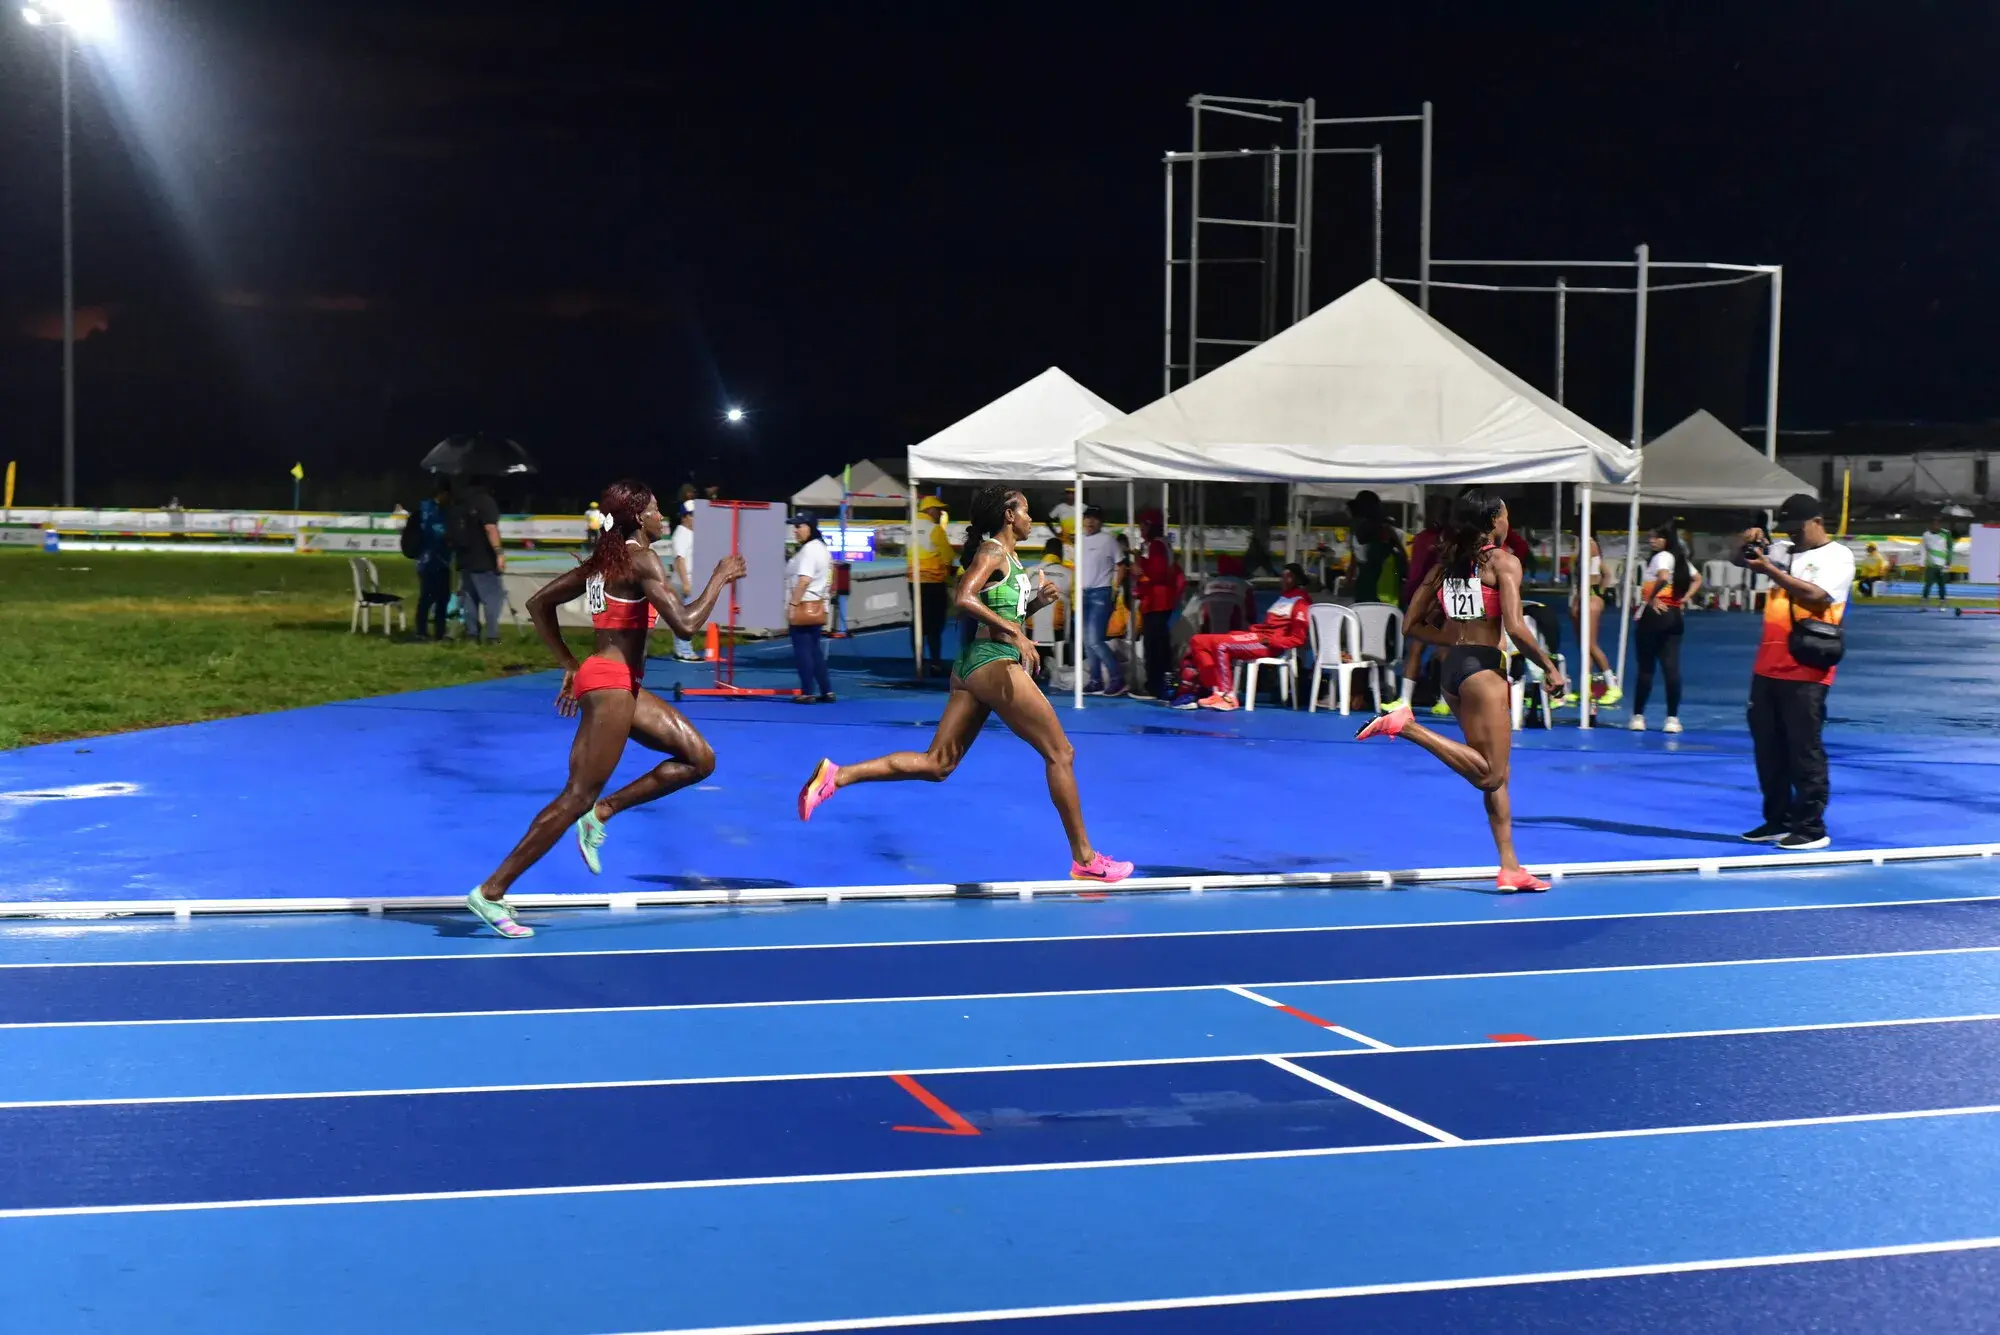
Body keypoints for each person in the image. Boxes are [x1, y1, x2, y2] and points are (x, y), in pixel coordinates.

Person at [796, 484, 1133, 883]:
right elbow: (964, 597)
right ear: (1009, 515)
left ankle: (837, 775)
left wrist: (1036, 604)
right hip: (994, 663)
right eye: (1024, 511)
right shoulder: (992, 551)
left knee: (938, 764)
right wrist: (1016, 632)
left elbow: (993, 604)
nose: (1030, 518)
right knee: (1061, 753)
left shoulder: (1007, 557)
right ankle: (1085, 859)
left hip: (973, 667)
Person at [467, 480, 744, 937]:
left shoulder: (609, 560)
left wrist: (572, 667)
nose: (663, 517)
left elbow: (540, 604)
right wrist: (721, 576)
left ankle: (603, 814)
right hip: (612, 685)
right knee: (575, 796)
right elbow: (687, 625)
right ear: (639, 518)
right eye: (656, 511)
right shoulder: (640, 559)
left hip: (618, 682)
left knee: (699, 760)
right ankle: (491, 892)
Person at [1355, 490, 1567, 892]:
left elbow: (1410, 625)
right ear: (1492, 521)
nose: (1509, 523)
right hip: (1484, 671)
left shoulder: (1446, 565)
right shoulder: (1504, 563)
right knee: (1491, 775)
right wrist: (1550, 667)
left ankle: (1510, 867)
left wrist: (1453, 635)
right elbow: (1517, 627)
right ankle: (1407, 726)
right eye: (1505, 516)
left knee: (1495, 773)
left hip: (1453, 669)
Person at [1739, 493, 1855, 851]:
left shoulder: (1838, 556)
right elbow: (1743, 561)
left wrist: (1771, 570)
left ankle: (1811, 827)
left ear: (1817, 522)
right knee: (1768, 750)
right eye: (1786, 529)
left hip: (1807, 665)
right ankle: (1777, 819)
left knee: (1804, 750)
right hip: (1768, 665)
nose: (1792, 535)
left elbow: (1817, 595)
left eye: (1797, 528)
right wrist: (1749, 544)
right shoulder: (1784, 550)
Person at [1174, 563, 1313, 711]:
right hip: (1256, 637)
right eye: (1283, 576)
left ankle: (1228, 697)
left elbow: (1298, 639)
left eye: (1289, 576)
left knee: (1221, 646)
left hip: (1266, 645)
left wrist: (1270, 640)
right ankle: (1215, 690)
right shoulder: (1284, 598)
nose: (1284, 580)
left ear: (1298, 579)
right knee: (1198, 641)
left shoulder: (1300, 601)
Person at [1628, 523, 1704, 733]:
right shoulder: (1680, 560)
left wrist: (1650, 598)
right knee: (1671, 668)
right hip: (1673, 615)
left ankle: (1638, 716)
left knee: (1646, 667)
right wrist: (1684, 599)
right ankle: (1672, 718)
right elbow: (1697, 579)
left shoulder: (1661, 557)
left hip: (1654, 615)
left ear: (1666, 540)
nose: (1652, 541)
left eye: (1656, 538)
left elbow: (1662, 577)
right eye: (1651, 537)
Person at [1384, 494, 1449, 714]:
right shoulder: (1424, 538)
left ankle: (1442, 699)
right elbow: (1415, 572)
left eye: (1438, 510)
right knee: (1419, 648)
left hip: (1439, 602)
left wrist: (1433, 602)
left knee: (1440, 650)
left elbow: (1435, 572)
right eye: (1431, 510)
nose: (1433, 515)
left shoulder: (1448, 538)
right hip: (1423, 600)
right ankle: (1406, 700)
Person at [451, 476, 506, 643]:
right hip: (484, 560)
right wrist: (499, 553)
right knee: (493, 598)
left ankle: (471, 634)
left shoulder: (460, 502)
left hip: (464, 559)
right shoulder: (485, 502)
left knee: (469, 599)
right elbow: (490, 528)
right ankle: (492, 636)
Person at [787, 511, 835, 703]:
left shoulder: (808, 551)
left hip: (805, 603)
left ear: (809, 527)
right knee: (814, 649)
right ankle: (826, 690)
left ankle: (807, 691)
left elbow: (804, 580)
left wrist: (793, 604)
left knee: (803, 650)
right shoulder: (821, 548)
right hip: (818, 603)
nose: (795, 530)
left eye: (799, 526)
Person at [1134, 510, 1182, 699]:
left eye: (1143, 526)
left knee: (1155, 647)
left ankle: (1155, 686)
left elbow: (1157, 572)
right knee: (1160, 646)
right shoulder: (1161, 545)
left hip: (1157, 602)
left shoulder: (1156, 546)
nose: (1140, 530)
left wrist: (1140, 564)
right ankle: (1164, 686)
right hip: (1160, 602)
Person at [1078, 506, 1124, 696]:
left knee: (1095, 640)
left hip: (1100, 593)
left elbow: (1120, 565)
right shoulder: (1079, 540)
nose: (1090, 521)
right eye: (1087, 517)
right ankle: (1095, 680)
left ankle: (1117, 678)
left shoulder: (1108, 540)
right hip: (1082, 594)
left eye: (1094, 518)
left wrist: (1114, 590)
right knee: (1087, 642)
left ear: (1101, 522)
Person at [914, 496, 956, 674]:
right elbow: (948, 557)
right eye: (939, 510)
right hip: (933, 582)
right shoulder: (935, 530)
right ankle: (936, 663)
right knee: (934, 625)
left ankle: (919, 661)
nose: (940, 513)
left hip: (914, 582)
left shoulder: (910, 529)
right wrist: (952, 579)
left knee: (917, 624)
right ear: (930, 510)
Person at [1346, 491, 1407, 605]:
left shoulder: (1358, 531)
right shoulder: (1385, 530)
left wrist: (1349, 579)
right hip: (1384, 588)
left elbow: (1354, 560)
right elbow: (1402, 558)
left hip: (1369, 587)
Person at [414, 479, 454, 640]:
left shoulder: (436, 509)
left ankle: (437, 631)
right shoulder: (430, 510)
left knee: (442, 597)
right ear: (443, 494)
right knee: (429, 597)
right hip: (431, 561)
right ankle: (423, 631)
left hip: (437, 561)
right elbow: (435, 532)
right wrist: (450, 537)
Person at [667, 501, 700, 660]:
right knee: (684, 619)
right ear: (684, 517)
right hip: (682, 582)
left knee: (685, 618)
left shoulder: (690, 533)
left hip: (687, 580)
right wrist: (686, 583)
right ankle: (684, 651)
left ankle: (683, 650)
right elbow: (680, 560)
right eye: (693, 515)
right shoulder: (681, 534)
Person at [1920, 519, 1951, 606]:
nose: (1936, 526)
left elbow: (1950, 548)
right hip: (1931, 564)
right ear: (1931, 525)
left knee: (1942, 585)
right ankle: (1924, 601)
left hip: (1942, 565)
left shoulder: (1946, 533)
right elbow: (1923, 549)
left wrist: (1948, 562)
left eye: (1937, 524)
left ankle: (1942, 602)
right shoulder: (1926, 535)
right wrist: (1921, 562)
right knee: (1928, 584)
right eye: (1933, 524)